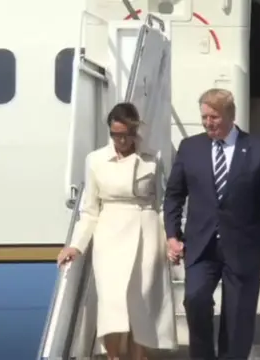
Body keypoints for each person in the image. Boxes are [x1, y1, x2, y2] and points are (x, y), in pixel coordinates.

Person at [163, 88, 260, 359]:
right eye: (204, 117)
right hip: (201, 245)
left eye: (214, 117)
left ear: (230, 115)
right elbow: (174, 194)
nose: (208, 122)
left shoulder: (259, 149)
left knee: (237, 318)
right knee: (195, 300)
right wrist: (172, 234)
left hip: (244, 246)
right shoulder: (191, 148)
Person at [57, 102, 177, 360]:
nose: (121, 140)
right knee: (112, 301)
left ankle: (139, 355)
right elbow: (90, 210)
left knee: (142, 301)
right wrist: (75, 246)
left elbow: (164, 203)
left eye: (126, 134)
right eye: (115, 134)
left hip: (147, 231)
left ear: (135, 131)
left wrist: (171, 239)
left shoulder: (153, 157)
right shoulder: (96, 160)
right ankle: (113, 356)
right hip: (109, 234)